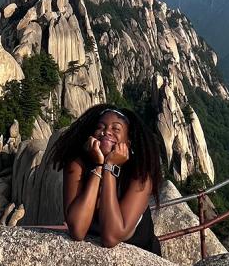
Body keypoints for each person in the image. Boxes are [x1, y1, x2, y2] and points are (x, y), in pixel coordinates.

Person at [49, 103, 163, 254]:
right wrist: (99, 165)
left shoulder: (140, 175)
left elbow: (111, 236)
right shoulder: (78, 164)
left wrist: (109, 167)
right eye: (100, 127)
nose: (106, 132)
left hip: (144, 258)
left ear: (128, 143)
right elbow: (77, 229)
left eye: (116, 129)